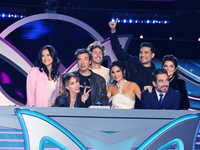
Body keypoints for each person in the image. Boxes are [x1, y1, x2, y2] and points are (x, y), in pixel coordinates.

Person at [108, 18, 156, 109]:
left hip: (147, 109)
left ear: (152, 55)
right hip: (129, 107)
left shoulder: (156, 74)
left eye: (146, 52)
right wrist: (113, 31)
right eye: (141, 52)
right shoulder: (132, 63)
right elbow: (118, 50)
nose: (142, 55)